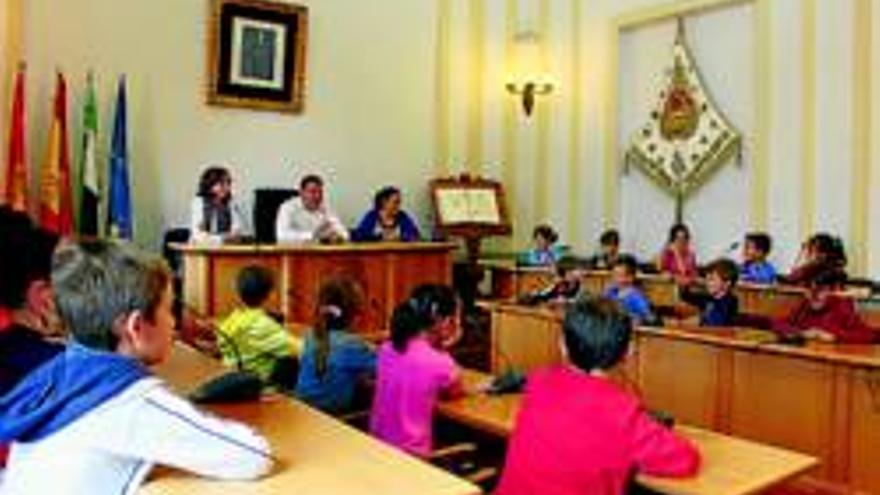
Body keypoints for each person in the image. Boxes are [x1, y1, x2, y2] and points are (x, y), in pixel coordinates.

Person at [0, 239, 273, 494]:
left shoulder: (60, 372)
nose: (174, 323)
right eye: (168, 309)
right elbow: (254, 456)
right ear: (136, 326)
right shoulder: (129, 400)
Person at [495, 297, 700, 495]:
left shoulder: (539, 383)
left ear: (562, 345)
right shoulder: (623, 414)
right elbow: (686, 460)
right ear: (629, 352)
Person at [370, 284, 464, 457]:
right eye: (455, 319)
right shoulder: (441, 363)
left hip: (378, 450)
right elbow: (456, 391)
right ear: (442, 321)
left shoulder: (386, 348)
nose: (457, 324)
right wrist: (444, 347)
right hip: (413, 460)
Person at [295, 278, 376, 413]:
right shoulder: (353, 346)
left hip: (302, 412)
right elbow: (385, 368)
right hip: (334, 419)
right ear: (355, 315)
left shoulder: (311, 335)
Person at [217, 265, 303, 386]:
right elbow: (300, 351)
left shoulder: (230, 321)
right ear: (271, 294)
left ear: (238, 294)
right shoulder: (260, 326)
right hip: (261, 390)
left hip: (234, 383)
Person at [773, 269, 876, 344]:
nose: (813, 296)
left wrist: (836, 337)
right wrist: (800, 333)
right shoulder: (805, 305)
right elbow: (779, 322)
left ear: (835, 290)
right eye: (809, 290)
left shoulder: (843, 307)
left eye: (820, 290)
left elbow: (871, 335)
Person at [275, 174, 349, 243]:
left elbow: (345, 234)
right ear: (301, 192)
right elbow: (282, 236)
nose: (317, 196)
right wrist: (313, 235)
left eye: (320, 192)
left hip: (319, 253)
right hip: (294, 253)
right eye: (313, 192)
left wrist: (337, 237)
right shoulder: (287, 207)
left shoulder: (326, 207)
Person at [189, 166, 246, 243]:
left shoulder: (231, 204)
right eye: (222, 184)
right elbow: (198, 233)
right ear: (210, 185)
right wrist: (219, 239)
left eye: (228, 183)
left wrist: (227, 237)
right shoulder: (199, 202)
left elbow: (237, 231)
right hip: (200, 249)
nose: (227, 187)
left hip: (225, 249)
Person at [679, 258, 739, 327]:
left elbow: (716, 323)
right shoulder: (709, 297)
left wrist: (699, 320)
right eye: (706, 279)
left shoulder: (729, 302)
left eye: (712, 279)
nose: (707, 283)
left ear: (727, 283)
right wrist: (685, 285)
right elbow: (686, 296)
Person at [352, 186, 421, 242]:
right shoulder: (372, 216)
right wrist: (380, 237)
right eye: (395, 202)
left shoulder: (402, 216)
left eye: (399, 203)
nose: (398, 206)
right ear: (384, 202)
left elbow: (415, 235)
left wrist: (400, 238)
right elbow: (359, 236)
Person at [604, 255, 655, 325]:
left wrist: (636, 319)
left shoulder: (636, 297)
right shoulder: (611, 291)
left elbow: (649, 317)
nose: (616, 279)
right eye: (615, 275)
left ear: (630, 277)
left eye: (620, 276)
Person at [783, 233, 847, 286]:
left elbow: (791, 277)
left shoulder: (812, 270)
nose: (807, 254)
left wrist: (799, 258)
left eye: (810, 250)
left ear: (822, 254)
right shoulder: (835, 269)